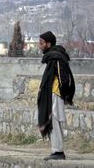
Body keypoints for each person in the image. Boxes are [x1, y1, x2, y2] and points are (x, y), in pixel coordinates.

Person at [37, 31, 75, 161]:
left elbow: (63, 78)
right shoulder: (53, 57)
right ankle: (56, 150)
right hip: (53, 94)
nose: (40, 46)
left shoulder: (56, 57)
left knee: (54, 121)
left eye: (41, 43)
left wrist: (64, 95)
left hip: (55, 93)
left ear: (49, 43)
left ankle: (58, 151)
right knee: (53, 121)